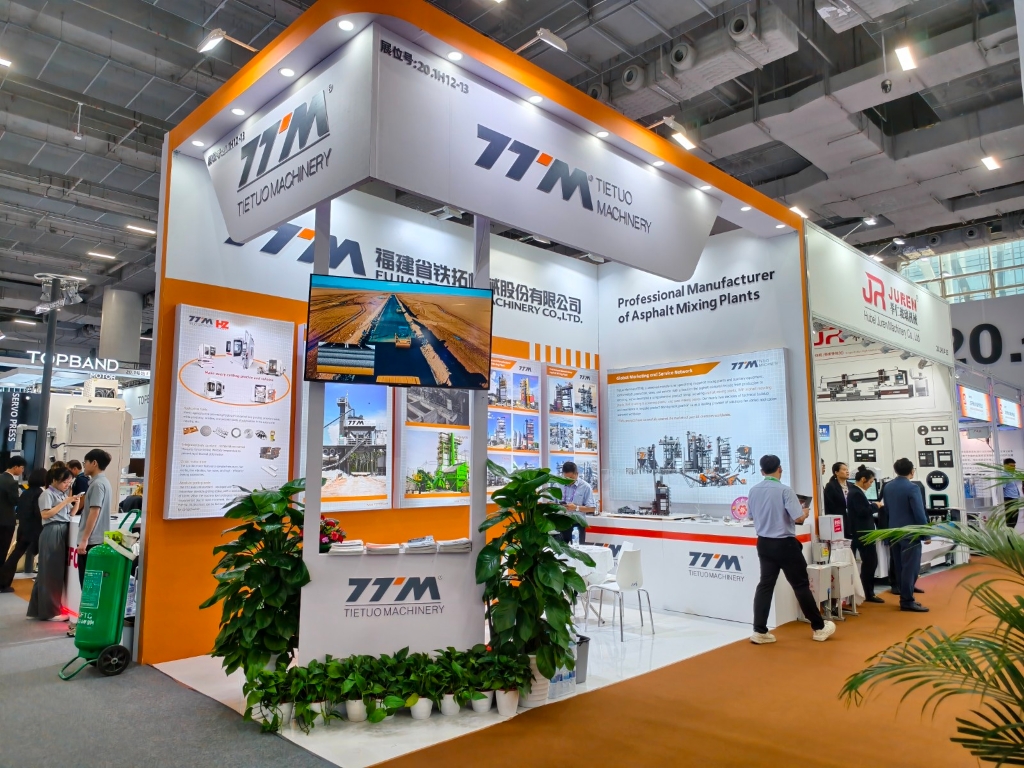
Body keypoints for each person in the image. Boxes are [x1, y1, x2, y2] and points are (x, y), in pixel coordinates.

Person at [748, 454, 835, 644]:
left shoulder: (753, 490)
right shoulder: (785, 490)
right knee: (800, 585)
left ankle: (759, 631)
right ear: (780, 469)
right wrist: (804, 512)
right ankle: (819, 627)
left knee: (765, 585)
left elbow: (750, 515)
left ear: (762, 471)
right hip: (785, 544)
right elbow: (798, 518)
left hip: (764, 543)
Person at [26, 467, 82, 621]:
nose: (67, 485)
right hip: (52, 530)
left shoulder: (61, 494)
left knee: (47, 573)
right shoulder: (47, 494)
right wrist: (65, 502)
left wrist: (76, 503)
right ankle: (51, 612)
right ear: (55, 480)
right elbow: (45, 514)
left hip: (62, 529)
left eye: (69, 482)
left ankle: (37, 610)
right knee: (51, 572)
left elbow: (70, 514)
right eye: (65, 482)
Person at [882, 458, 930, 612]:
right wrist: (926, 533)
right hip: (910, 534)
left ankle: (905, 597)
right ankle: (907, 600)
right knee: (911, 568)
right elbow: (919, 512)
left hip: (893, 532)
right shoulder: (912, 488)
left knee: (900, 567)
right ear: (912, 471)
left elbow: (887, 510)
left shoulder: (888, 487)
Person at [0, 468, 46, 593]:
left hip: (23, 528)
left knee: (15, 555)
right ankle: (3, 582)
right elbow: (38, 513)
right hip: (34, 529)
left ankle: (4, 581)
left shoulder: (26, 492)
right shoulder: (40, 493)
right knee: (17, 556)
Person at [77, 449, 113, 588]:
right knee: (93, 584)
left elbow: (94, 512)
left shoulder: (98, 485)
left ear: (94, 463)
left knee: (88, 584)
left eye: (85, 462)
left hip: (91, 542)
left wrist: (84, 540)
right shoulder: (104, 482)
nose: (84, 466)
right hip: (97, 540)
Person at [848, 465, 884, 603]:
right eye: (870, 482)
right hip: (863, 533)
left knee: (870, 563)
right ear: (863, 479)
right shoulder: (856, 493)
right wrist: (875, 506)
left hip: (862, 532)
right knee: (870, 563)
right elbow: (863, 512)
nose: (870, 485)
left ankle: (867, 591)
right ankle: (868, 592)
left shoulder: (856, 492)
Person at [560, 461, 595, 544]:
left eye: (571, 478)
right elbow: (551, 502)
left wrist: (576, 508)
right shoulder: (558, 484)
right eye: (566, 478)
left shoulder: (585, 487)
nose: (568, 481)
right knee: (560, 551)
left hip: (577, 525)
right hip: (561, 523)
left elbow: (592, 508)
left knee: (578, 550)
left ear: (577, 474)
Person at [0, 456, 26, 568]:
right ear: (15, 467)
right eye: (22, 468)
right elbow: (15, 501)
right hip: (6, 522)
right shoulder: (12, 483)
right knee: (2, 550)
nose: (22, 471)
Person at [823, 462, 851, 533]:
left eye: (847, 469)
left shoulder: (851, 486)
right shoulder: (831, 486)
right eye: (844, 470)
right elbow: (829, 506)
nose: (847, 471)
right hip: (838, 521)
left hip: (851, 520)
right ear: (836, 472)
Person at [1003, 458, 1019, 527]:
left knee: (1014, 520)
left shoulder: (1012, 475)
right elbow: (1001, 489)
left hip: (1015, 499)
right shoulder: (1004, 476)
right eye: (1011, 466)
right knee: (1010, 521)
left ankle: (1011, 533)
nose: (1013, 468)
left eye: (1014, 466)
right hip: (1009, 500)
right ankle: (1008, 534)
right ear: (1005, 466)